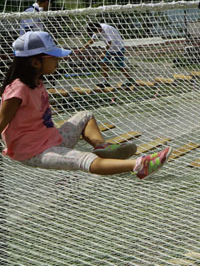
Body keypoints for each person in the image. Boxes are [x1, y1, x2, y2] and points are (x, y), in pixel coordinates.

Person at [0, 31, 170, 178]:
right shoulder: (17, 90)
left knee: (85, 116)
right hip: (33, 152)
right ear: (35, 63)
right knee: (82, 159)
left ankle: (102, 146)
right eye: (53, 56)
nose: (58, 60)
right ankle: (139, 166)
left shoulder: (37, 82)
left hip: (52, 139)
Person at [87, 21, 135, 88]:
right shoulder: (96, 29)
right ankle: (105, 81)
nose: (97, 32)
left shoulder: (106, 29)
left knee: (119, 66)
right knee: (104, 63)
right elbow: (92, 40)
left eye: (97, 31)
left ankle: (130, 80)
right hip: (109, 49)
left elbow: (110, 42)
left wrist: (103, 53)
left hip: (118, 47)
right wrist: (83, 48)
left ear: (98, 28)